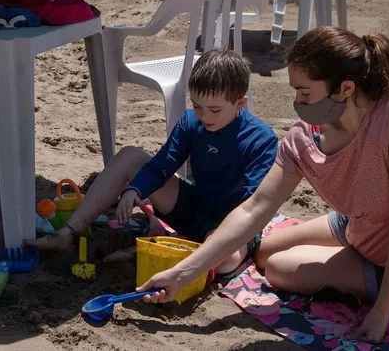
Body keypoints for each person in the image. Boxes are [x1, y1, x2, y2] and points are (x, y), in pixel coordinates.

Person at [139, 28, 389, 344]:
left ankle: (367, 282)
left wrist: (382, 311)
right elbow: (254, 208)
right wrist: (183, 274)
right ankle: (347, 262)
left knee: (277, 268)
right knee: (261, 254)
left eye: (304, 93)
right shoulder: (305, 138)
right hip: (358, 224)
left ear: (344, 88)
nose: (297, 103)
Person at [37, 50, 278, 278]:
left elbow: (251, 205)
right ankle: (69, 231)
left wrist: (218, 239)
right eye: (197, 106)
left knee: (227, 258)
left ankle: (150, 257)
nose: (204, 116)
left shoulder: (261, 139)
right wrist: (135, 189)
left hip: (231, 220)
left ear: (240, 104)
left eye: (214, 110)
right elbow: (163, 164)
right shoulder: (192, 122)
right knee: (131, 156)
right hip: (194, 206)